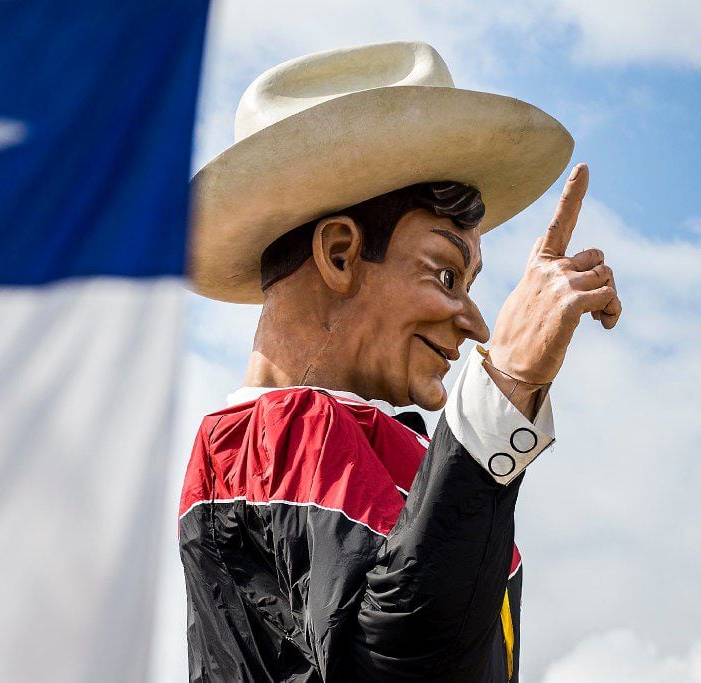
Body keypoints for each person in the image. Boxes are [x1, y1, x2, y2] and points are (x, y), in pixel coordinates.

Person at [178, 42, 621, 682]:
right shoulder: (275, 439)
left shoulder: (347, 443)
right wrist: (504, 387)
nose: (475, 322)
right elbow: (398, 661)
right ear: (338, 253)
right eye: (445, 274)